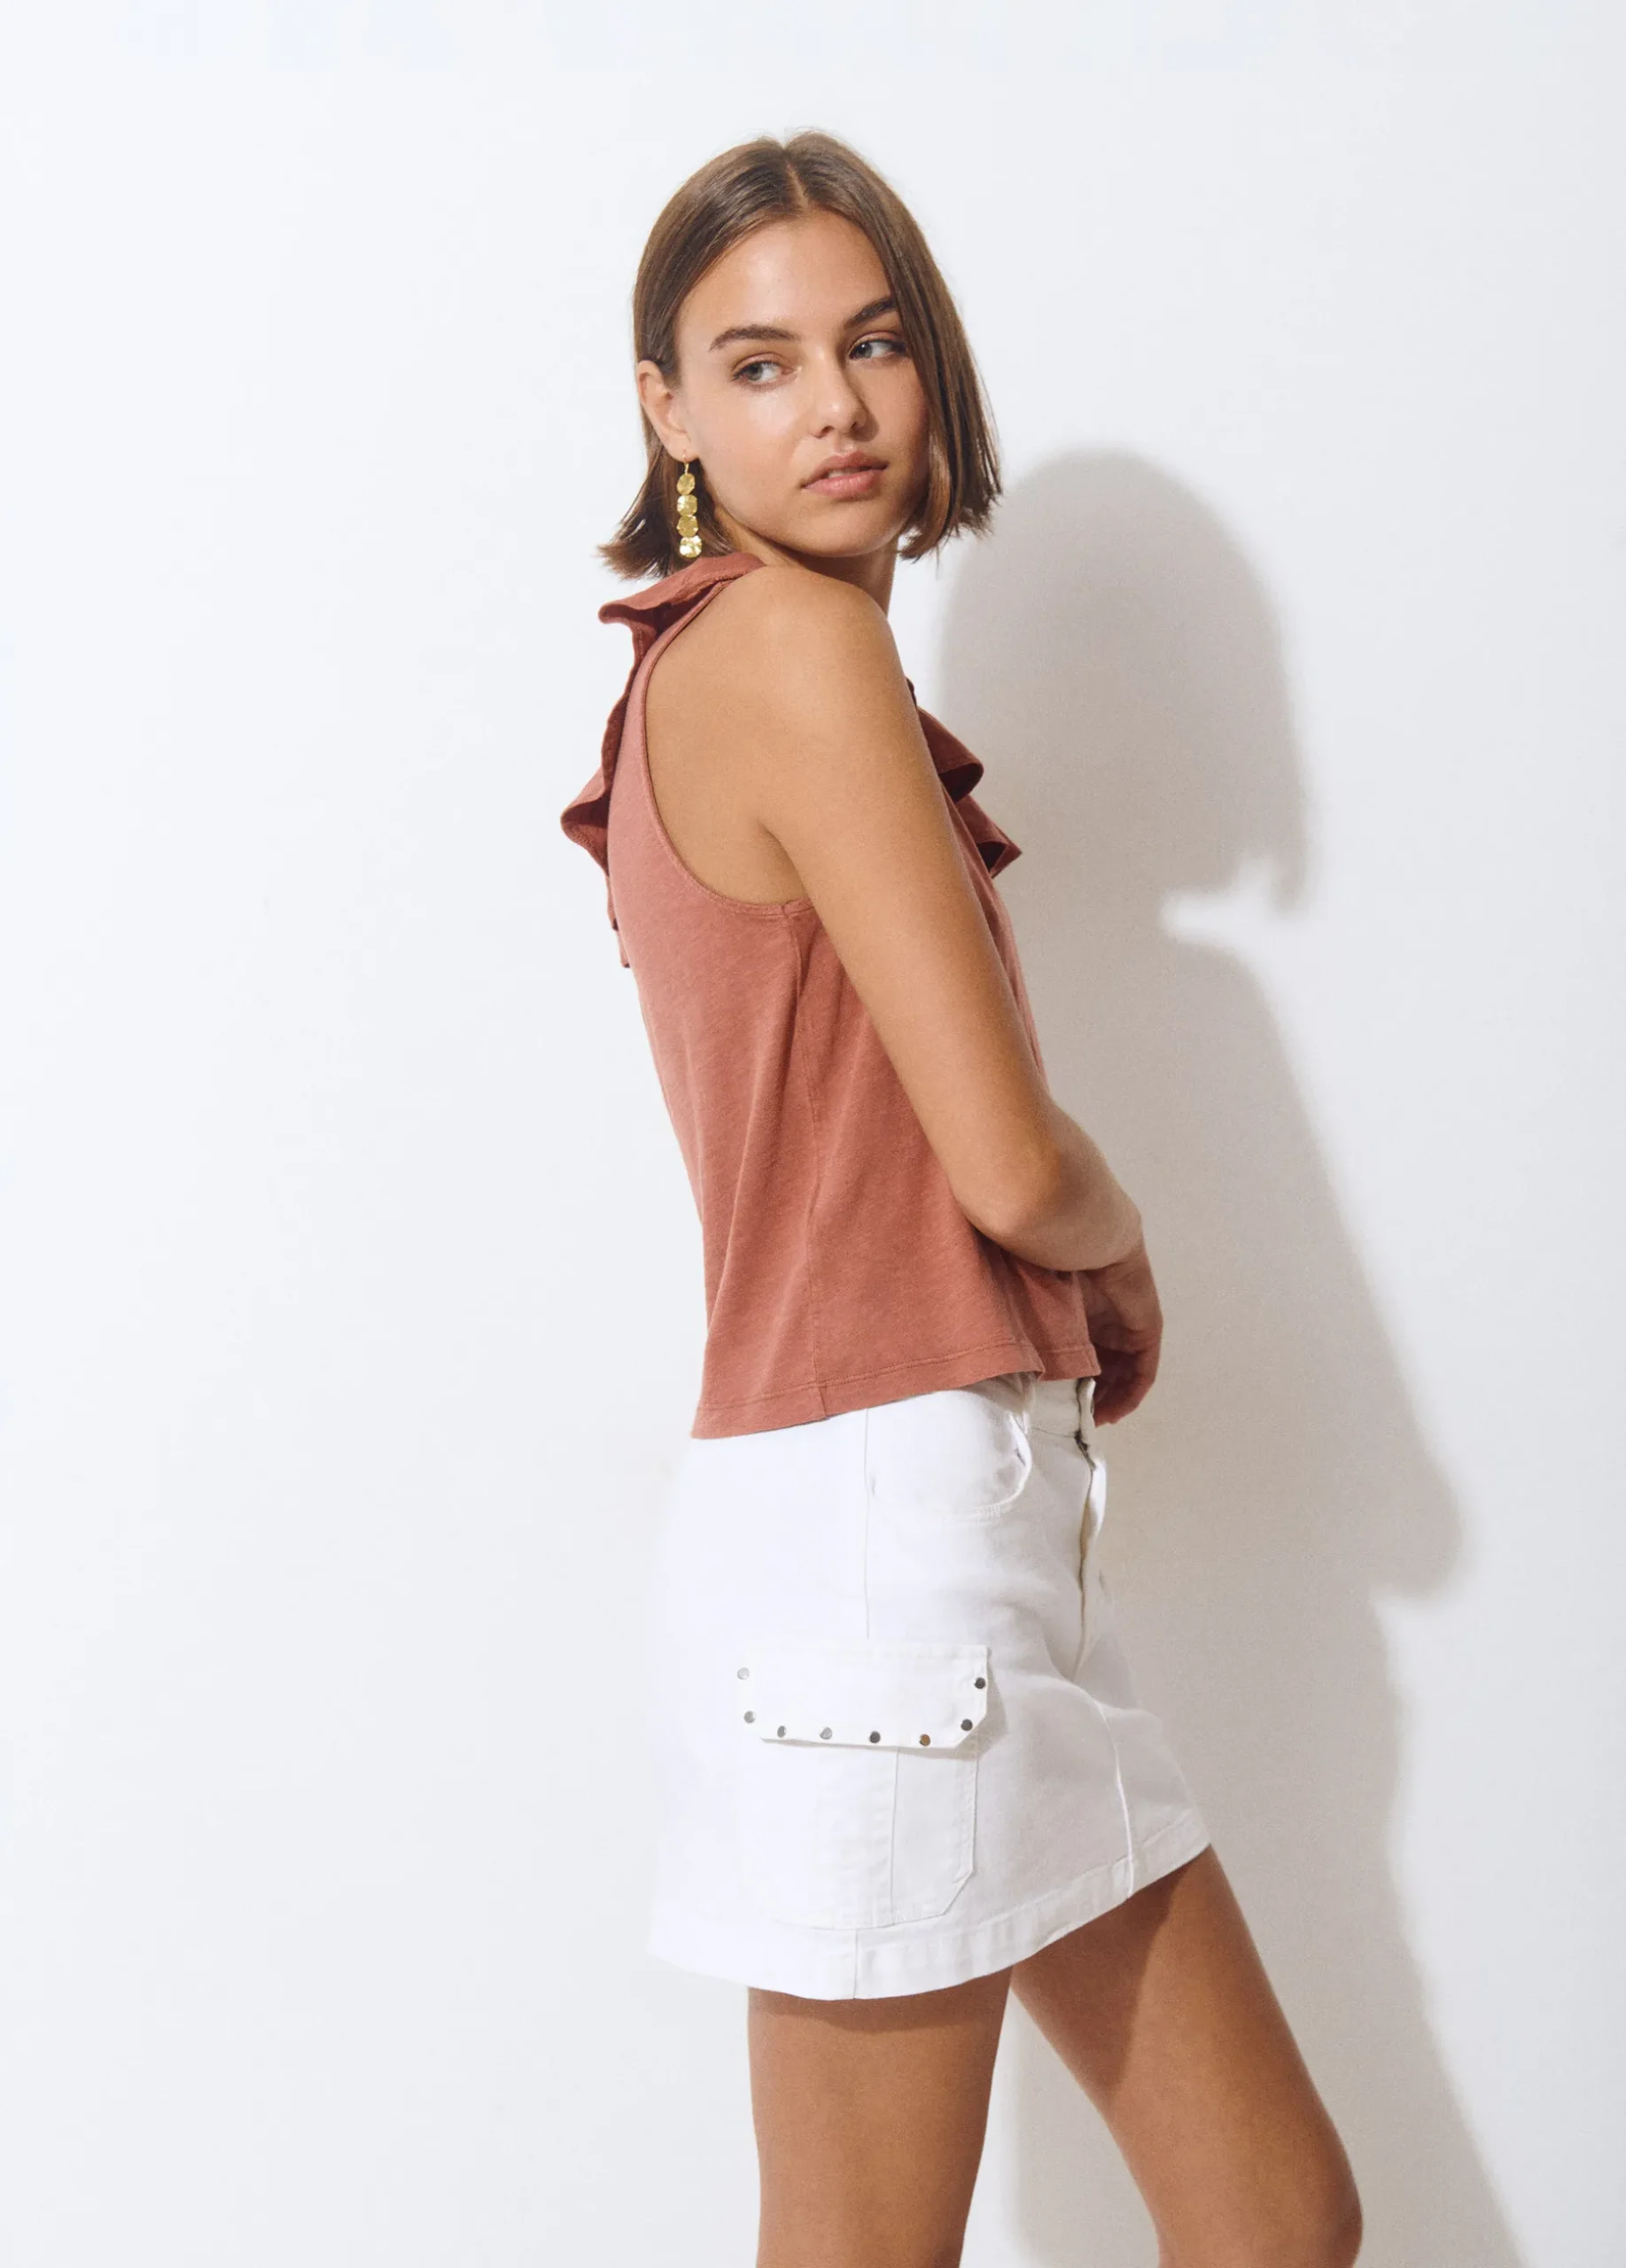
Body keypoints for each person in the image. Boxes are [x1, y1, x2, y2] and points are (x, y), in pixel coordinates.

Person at [562, 129, 1361, 2268]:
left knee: (1271, 2210)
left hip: (943, 1555)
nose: (831, 406)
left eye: (874, 343)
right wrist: (1123, 1239)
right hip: (878, 1560)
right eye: (756, 364)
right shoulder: (787, 653)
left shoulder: (717, 671)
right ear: (665, 411)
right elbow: (1007, 1159)